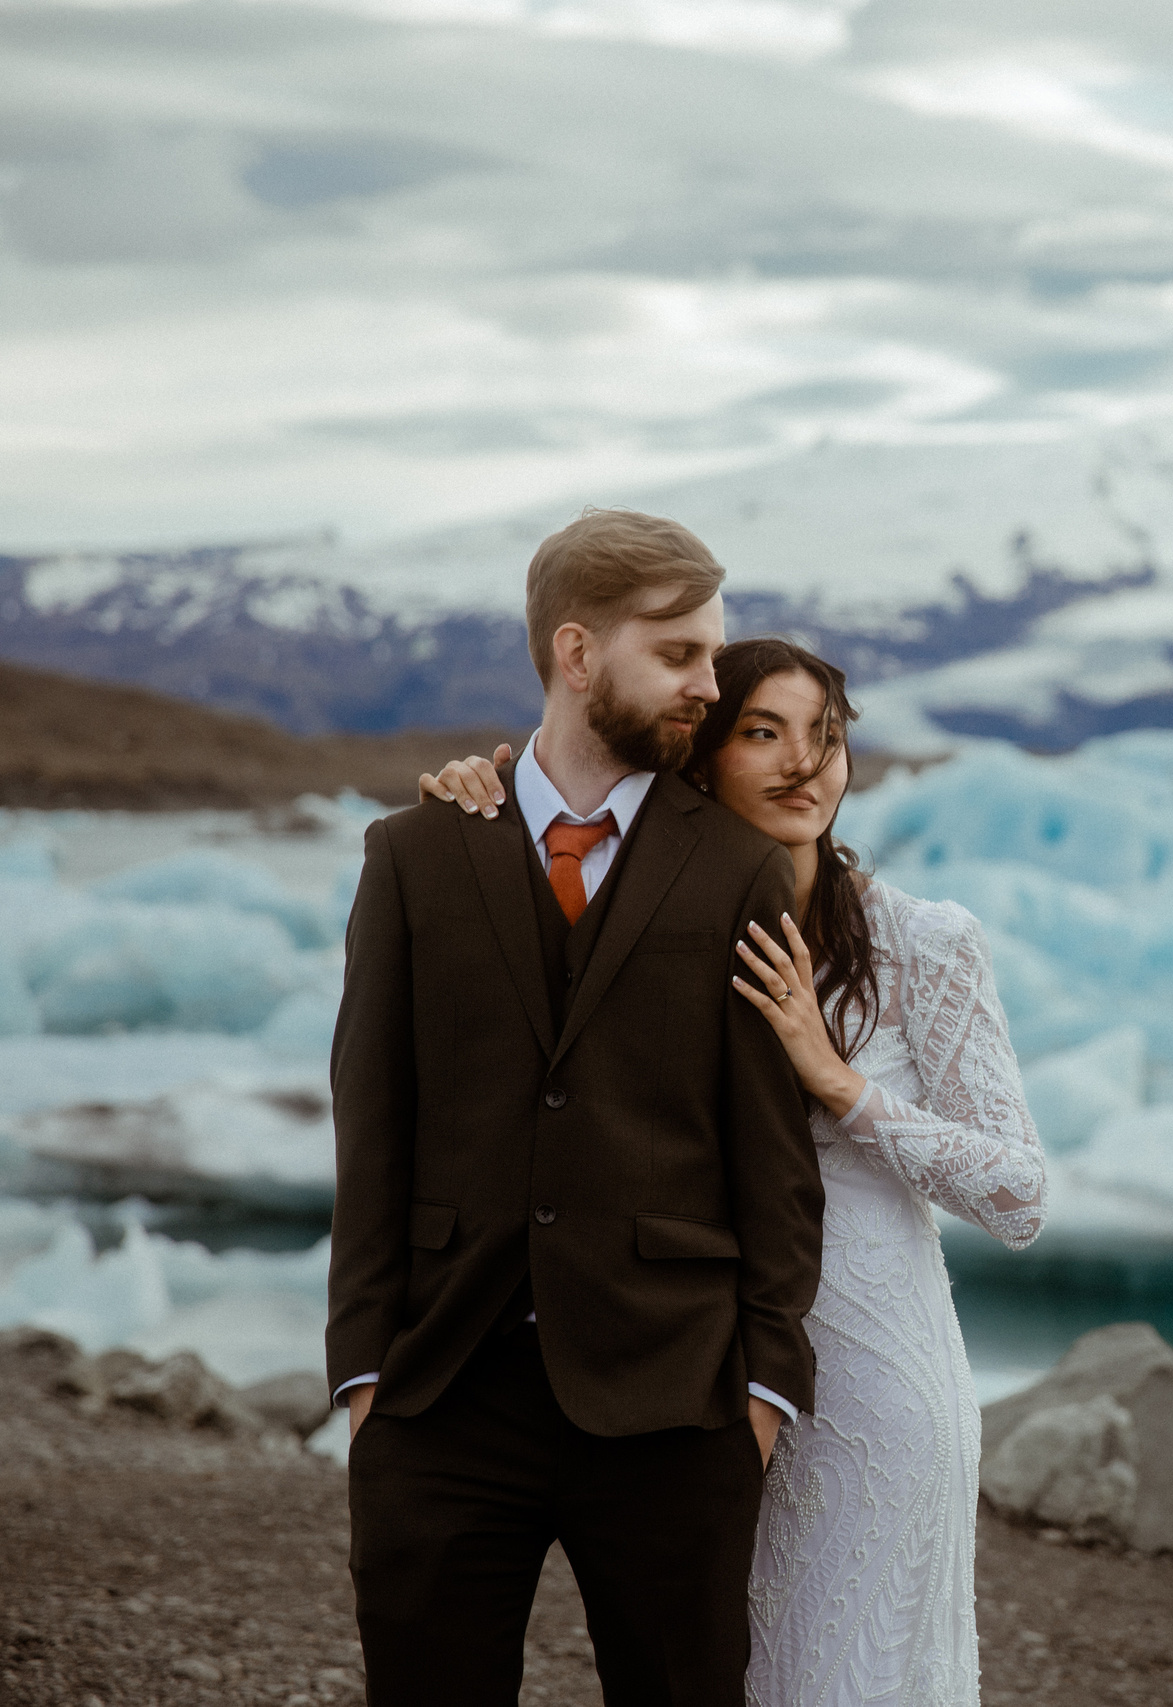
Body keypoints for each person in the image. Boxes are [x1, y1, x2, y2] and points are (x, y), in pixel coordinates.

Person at [420, 635, 1048, 1707]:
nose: (806, 765)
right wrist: (477, 797)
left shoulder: (921, 943)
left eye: (828, 737)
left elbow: (1017, 1194)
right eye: (764, 733)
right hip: (694, 1379)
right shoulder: (638, 923)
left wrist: (835, 1081)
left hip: (873, 1385)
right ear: (698, 755)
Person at [330, 509, 826, 1707]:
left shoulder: (739, 868)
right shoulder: (416, 854)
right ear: (576, 653)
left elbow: (771, 1155)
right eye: (680, 655)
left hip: (674, 1406)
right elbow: (372, 1121)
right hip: (442, 1394)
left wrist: (760, 1392)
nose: (709, 684)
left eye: (712, 655)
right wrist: (362, 1382)